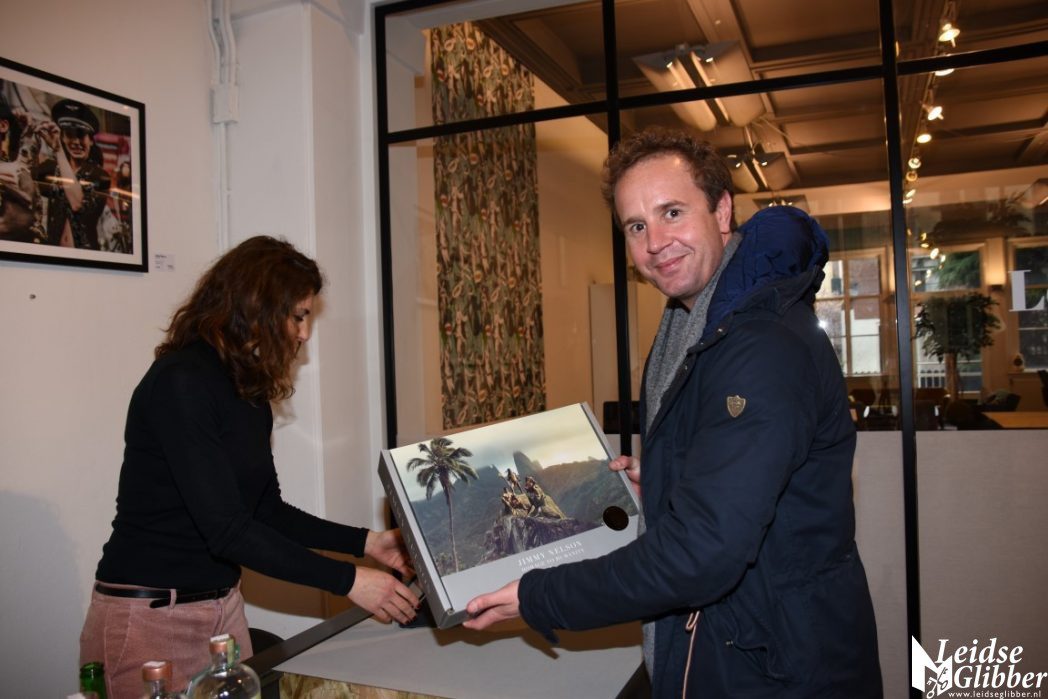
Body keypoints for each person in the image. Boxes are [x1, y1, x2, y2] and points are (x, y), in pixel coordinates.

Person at [464, 128, 882, 697]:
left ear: (722, 210)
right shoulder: (694, 322)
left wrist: (538, 595)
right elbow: (736, 474)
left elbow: (703, 553)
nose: (655, 242)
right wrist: (664, 481)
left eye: (672, 212)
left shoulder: (760, 345)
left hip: (773, 668)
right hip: (738, 646)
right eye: (636, 226)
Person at [80, 236, 419, 697]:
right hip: (152, 618)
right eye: (298, 316)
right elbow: (227, 530)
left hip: (222, 611)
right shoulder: (182, 381)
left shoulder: (248, 392)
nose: (304, 333)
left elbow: (266, 512)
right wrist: (350, 580)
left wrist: (368, 542)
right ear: (256, 306)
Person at [35, 98, 109, 248]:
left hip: (85, 255)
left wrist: (58, 150)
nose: (75, 142)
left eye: (81, 135)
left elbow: (77, 203)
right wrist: (28, 134)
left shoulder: (100, 175)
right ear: (62, 137)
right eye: (69, 134)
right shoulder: (53, 168)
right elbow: (23, 177)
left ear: (91, 141)